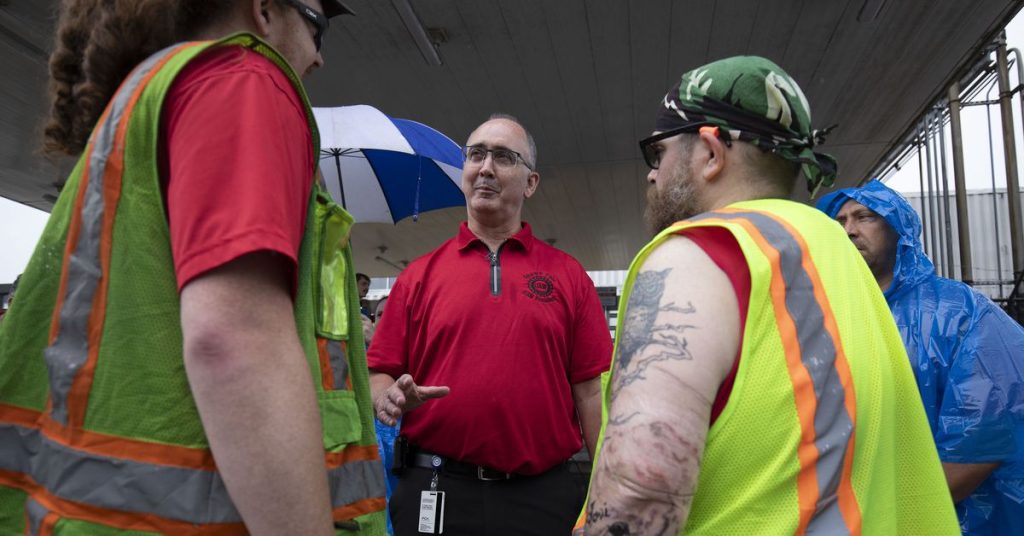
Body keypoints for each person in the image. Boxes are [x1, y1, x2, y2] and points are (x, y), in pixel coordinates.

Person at [0, 1, 387, 534]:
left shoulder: (146, 95)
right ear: (265, 9)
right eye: (318, 26)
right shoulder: (244, 80)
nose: (319, 58)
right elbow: (234, 341)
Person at [576, 56, 959, 535]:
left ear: (711, 152)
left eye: (659, 153)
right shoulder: (838, 256)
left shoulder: (698, 256)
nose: (652, 174)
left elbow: (641, 487)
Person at [367, 113, 613, 534]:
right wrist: (386, 397)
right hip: (435, 489)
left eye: (503, 157)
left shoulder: (568, 276)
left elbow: (590, 392)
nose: (485, 167)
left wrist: (609, 491)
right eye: (476, 154)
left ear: (530, 183)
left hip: (542, 496)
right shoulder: (418, 276)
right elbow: (380, 370)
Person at [817, 179, 1024, 535]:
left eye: (864, 217)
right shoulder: (823, 315)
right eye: (838, 222)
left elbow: (983, 437)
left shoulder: (960, 311)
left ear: (899, 230)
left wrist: (891, 514)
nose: (848, 230)